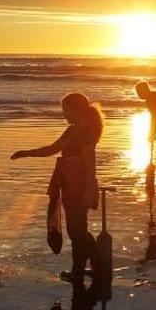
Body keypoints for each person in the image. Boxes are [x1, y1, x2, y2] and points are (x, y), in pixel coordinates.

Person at [11, 92, 104, 282]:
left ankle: (80, 271)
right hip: (68, 183)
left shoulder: (86, 132)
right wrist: (27, 153)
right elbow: (53, 149)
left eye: (66, 110)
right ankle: (97, 266)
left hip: (79, 184)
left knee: (76, 230)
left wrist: (88, 190)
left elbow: (90, 163)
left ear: (77, 109)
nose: (64, 115)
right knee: (77, 229)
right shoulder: (72, 130)